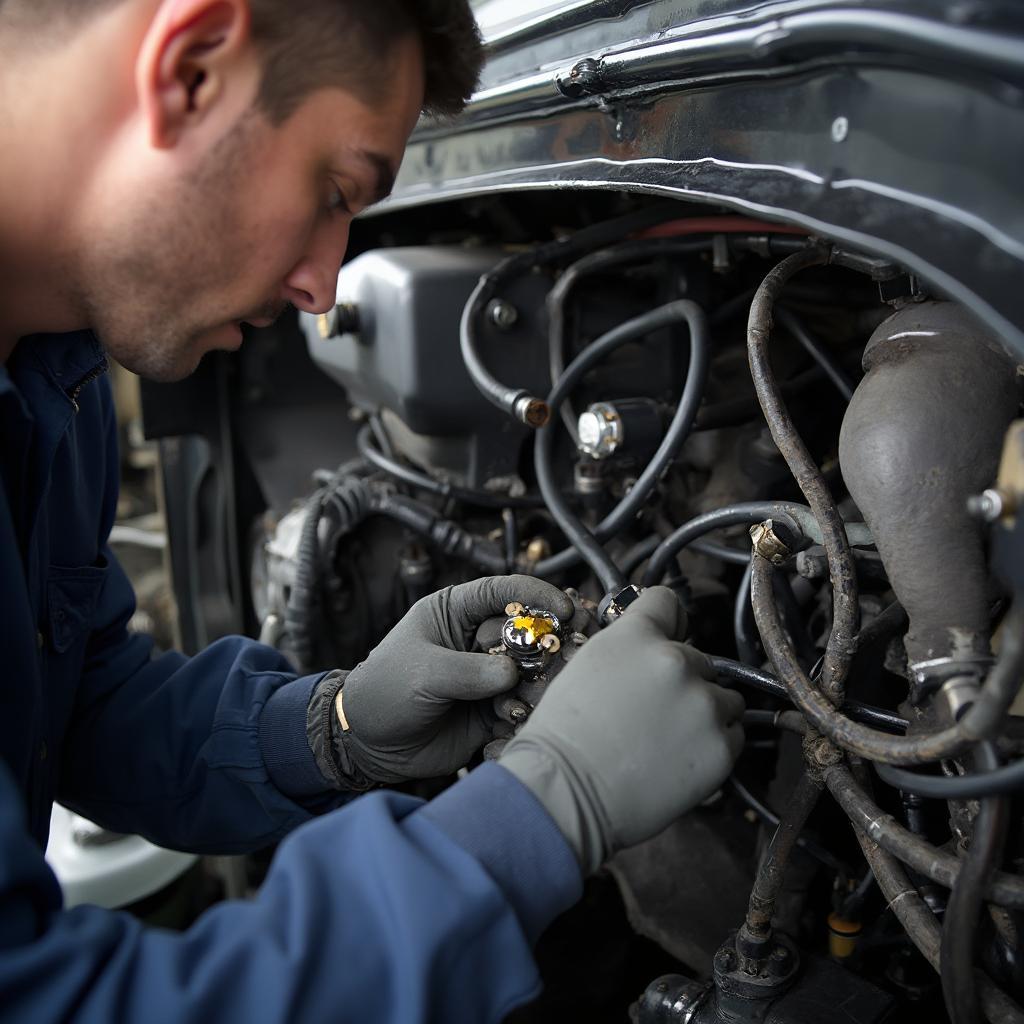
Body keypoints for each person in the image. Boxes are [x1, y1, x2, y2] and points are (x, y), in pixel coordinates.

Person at [0, 1, 746, 1020]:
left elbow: (73, 708)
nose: (319, 288)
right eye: (334, 190)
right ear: (191, 68)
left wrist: (331, 728)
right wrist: (543, 808)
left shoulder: (54, 372)